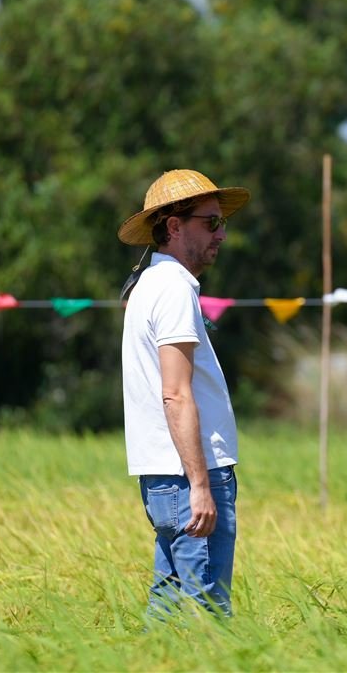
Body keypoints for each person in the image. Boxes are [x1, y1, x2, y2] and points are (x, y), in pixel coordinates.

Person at [118, 169, 250, 619]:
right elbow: (175, 394)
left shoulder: (151, 285)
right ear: (174, 226)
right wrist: (200, 486)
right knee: (207, 617)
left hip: (165, 478)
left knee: (169, 613)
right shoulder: (173, 290)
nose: (222, 234)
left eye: (221, 223)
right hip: (188, 476)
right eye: (211, 222)